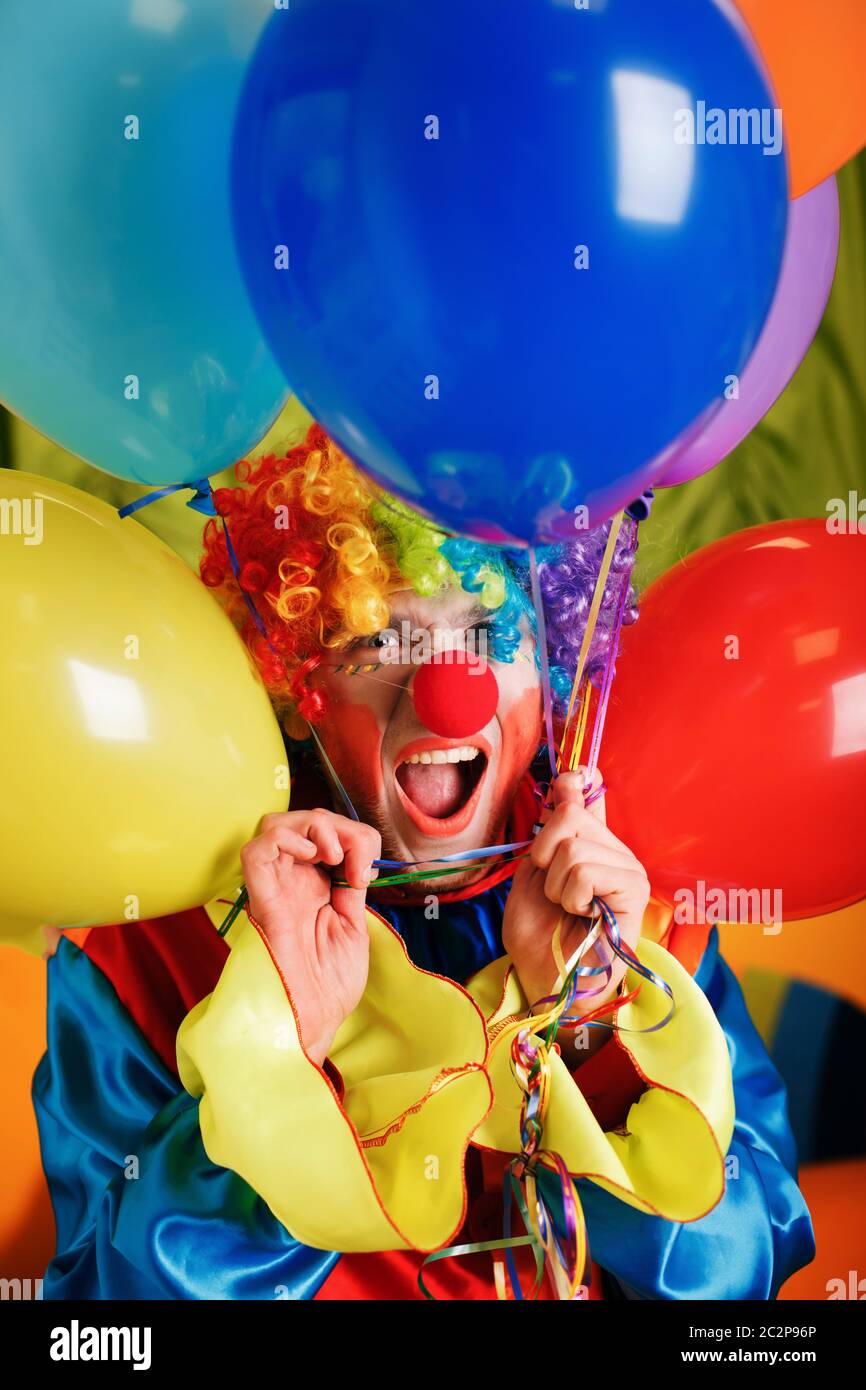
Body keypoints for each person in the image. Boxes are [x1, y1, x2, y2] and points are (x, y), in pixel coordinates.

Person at [33, 424, 814, 1300]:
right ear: (298, 688)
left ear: (550, 665)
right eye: (380, 642)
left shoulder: (629, 895)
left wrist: (595, 1024)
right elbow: (100, 1316)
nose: (451, 691)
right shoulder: (149, 938)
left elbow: (742, 1281)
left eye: (490, 636)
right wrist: (284, 1058)